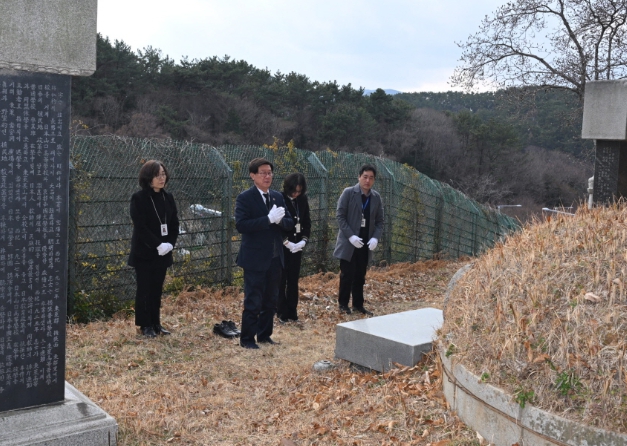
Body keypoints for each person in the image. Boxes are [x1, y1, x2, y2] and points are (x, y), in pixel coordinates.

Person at [235, 158, 294, 349]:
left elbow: (289, 222)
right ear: (253, 176)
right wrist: (267, 219)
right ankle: (247, 339)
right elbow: (241, 225)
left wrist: (279, 222)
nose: (267, 176)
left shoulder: (277, 196)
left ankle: (264, 334)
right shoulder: (245, 198)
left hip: (276, 257)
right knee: (253, 300)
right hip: (255, 258)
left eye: (270, 172)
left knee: (271, 300)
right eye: (263, 173)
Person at [128, 160, 179, 338]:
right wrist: (157, 244)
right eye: (157, 175)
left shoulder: (168, 197)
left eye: (163, 174)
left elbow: (174, 224)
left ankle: (156, 323)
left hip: (164, 252)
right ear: (148, 178)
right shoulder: (139, 198)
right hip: (145, 252)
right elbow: (140, 227)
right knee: (144, 288)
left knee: (157, 288)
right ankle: (145, 325)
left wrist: (170, 244)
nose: (161, 178)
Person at [333, 164, 384, 316]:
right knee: (346, 274)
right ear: (359, 177)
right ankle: (343, 304)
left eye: (371, 178)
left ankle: (358, 304)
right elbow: (340, 216)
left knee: (360, 275)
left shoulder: (376, 197)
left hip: (365, 242)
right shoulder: (349, 193)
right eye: (365, 177)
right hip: (349, 242)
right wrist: (350, 235)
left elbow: (380, 221)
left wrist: (375, 237)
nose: (367, 180)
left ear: (374, 180)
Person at [277, 173, 311, 323]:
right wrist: (286, 242)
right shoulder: (279, 198)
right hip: (283, 246)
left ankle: (292, 310)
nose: (296, 194)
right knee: (281, 279)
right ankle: (281, 311)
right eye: (294, 191)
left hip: (297, 245)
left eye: (299, 191)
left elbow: (306, 221)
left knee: (293, 279)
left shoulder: (302, 200)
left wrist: (304, 240)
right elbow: (276, 224)